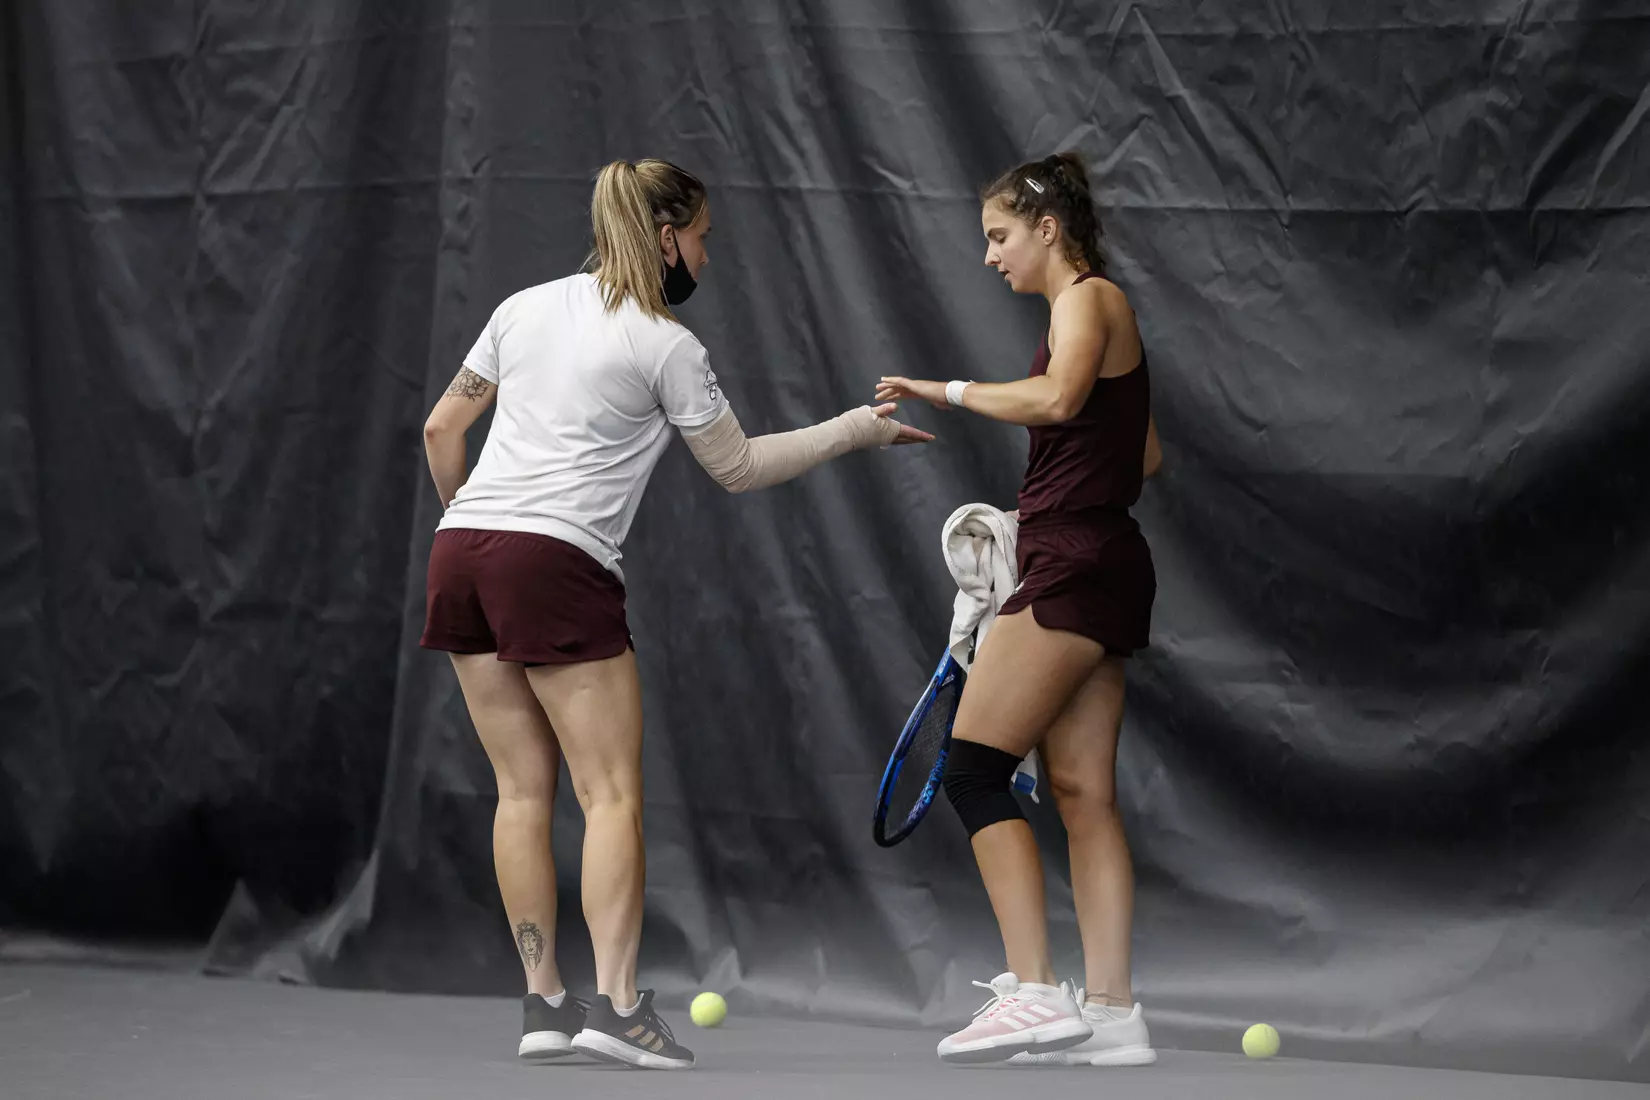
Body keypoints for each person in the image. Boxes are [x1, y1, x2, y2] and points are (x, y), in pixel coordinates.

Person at [419, 158, 932, 1071]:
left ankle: (543, 1008)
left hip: (461, 553)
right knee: (608, 793)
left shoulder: (520, 307)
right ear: (666, 240)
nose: (705, 253)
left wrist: (473, 524)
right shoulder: (665, 344)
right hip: (555, 560)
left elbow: (440, 431)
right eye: (701, 238)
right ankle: (617, 1012)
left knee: (520, 791)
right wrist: (861, 427)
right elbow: (739, 468)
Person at [876, 151, 1163, 1067]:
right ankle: (1113, 1016)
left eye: (1000, 236)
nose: (992, 256)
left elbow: (1056, 397)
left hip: (1075, 562)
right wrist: (1052, 499)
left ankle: (1036, 989)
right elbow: (1143, 452)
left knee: (971, 770)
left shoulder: (1086, 298)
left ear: (1048, 228)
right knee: (1081, 794)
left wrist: (943, 390)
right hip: (1101, 557)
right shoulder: (1091, 313)